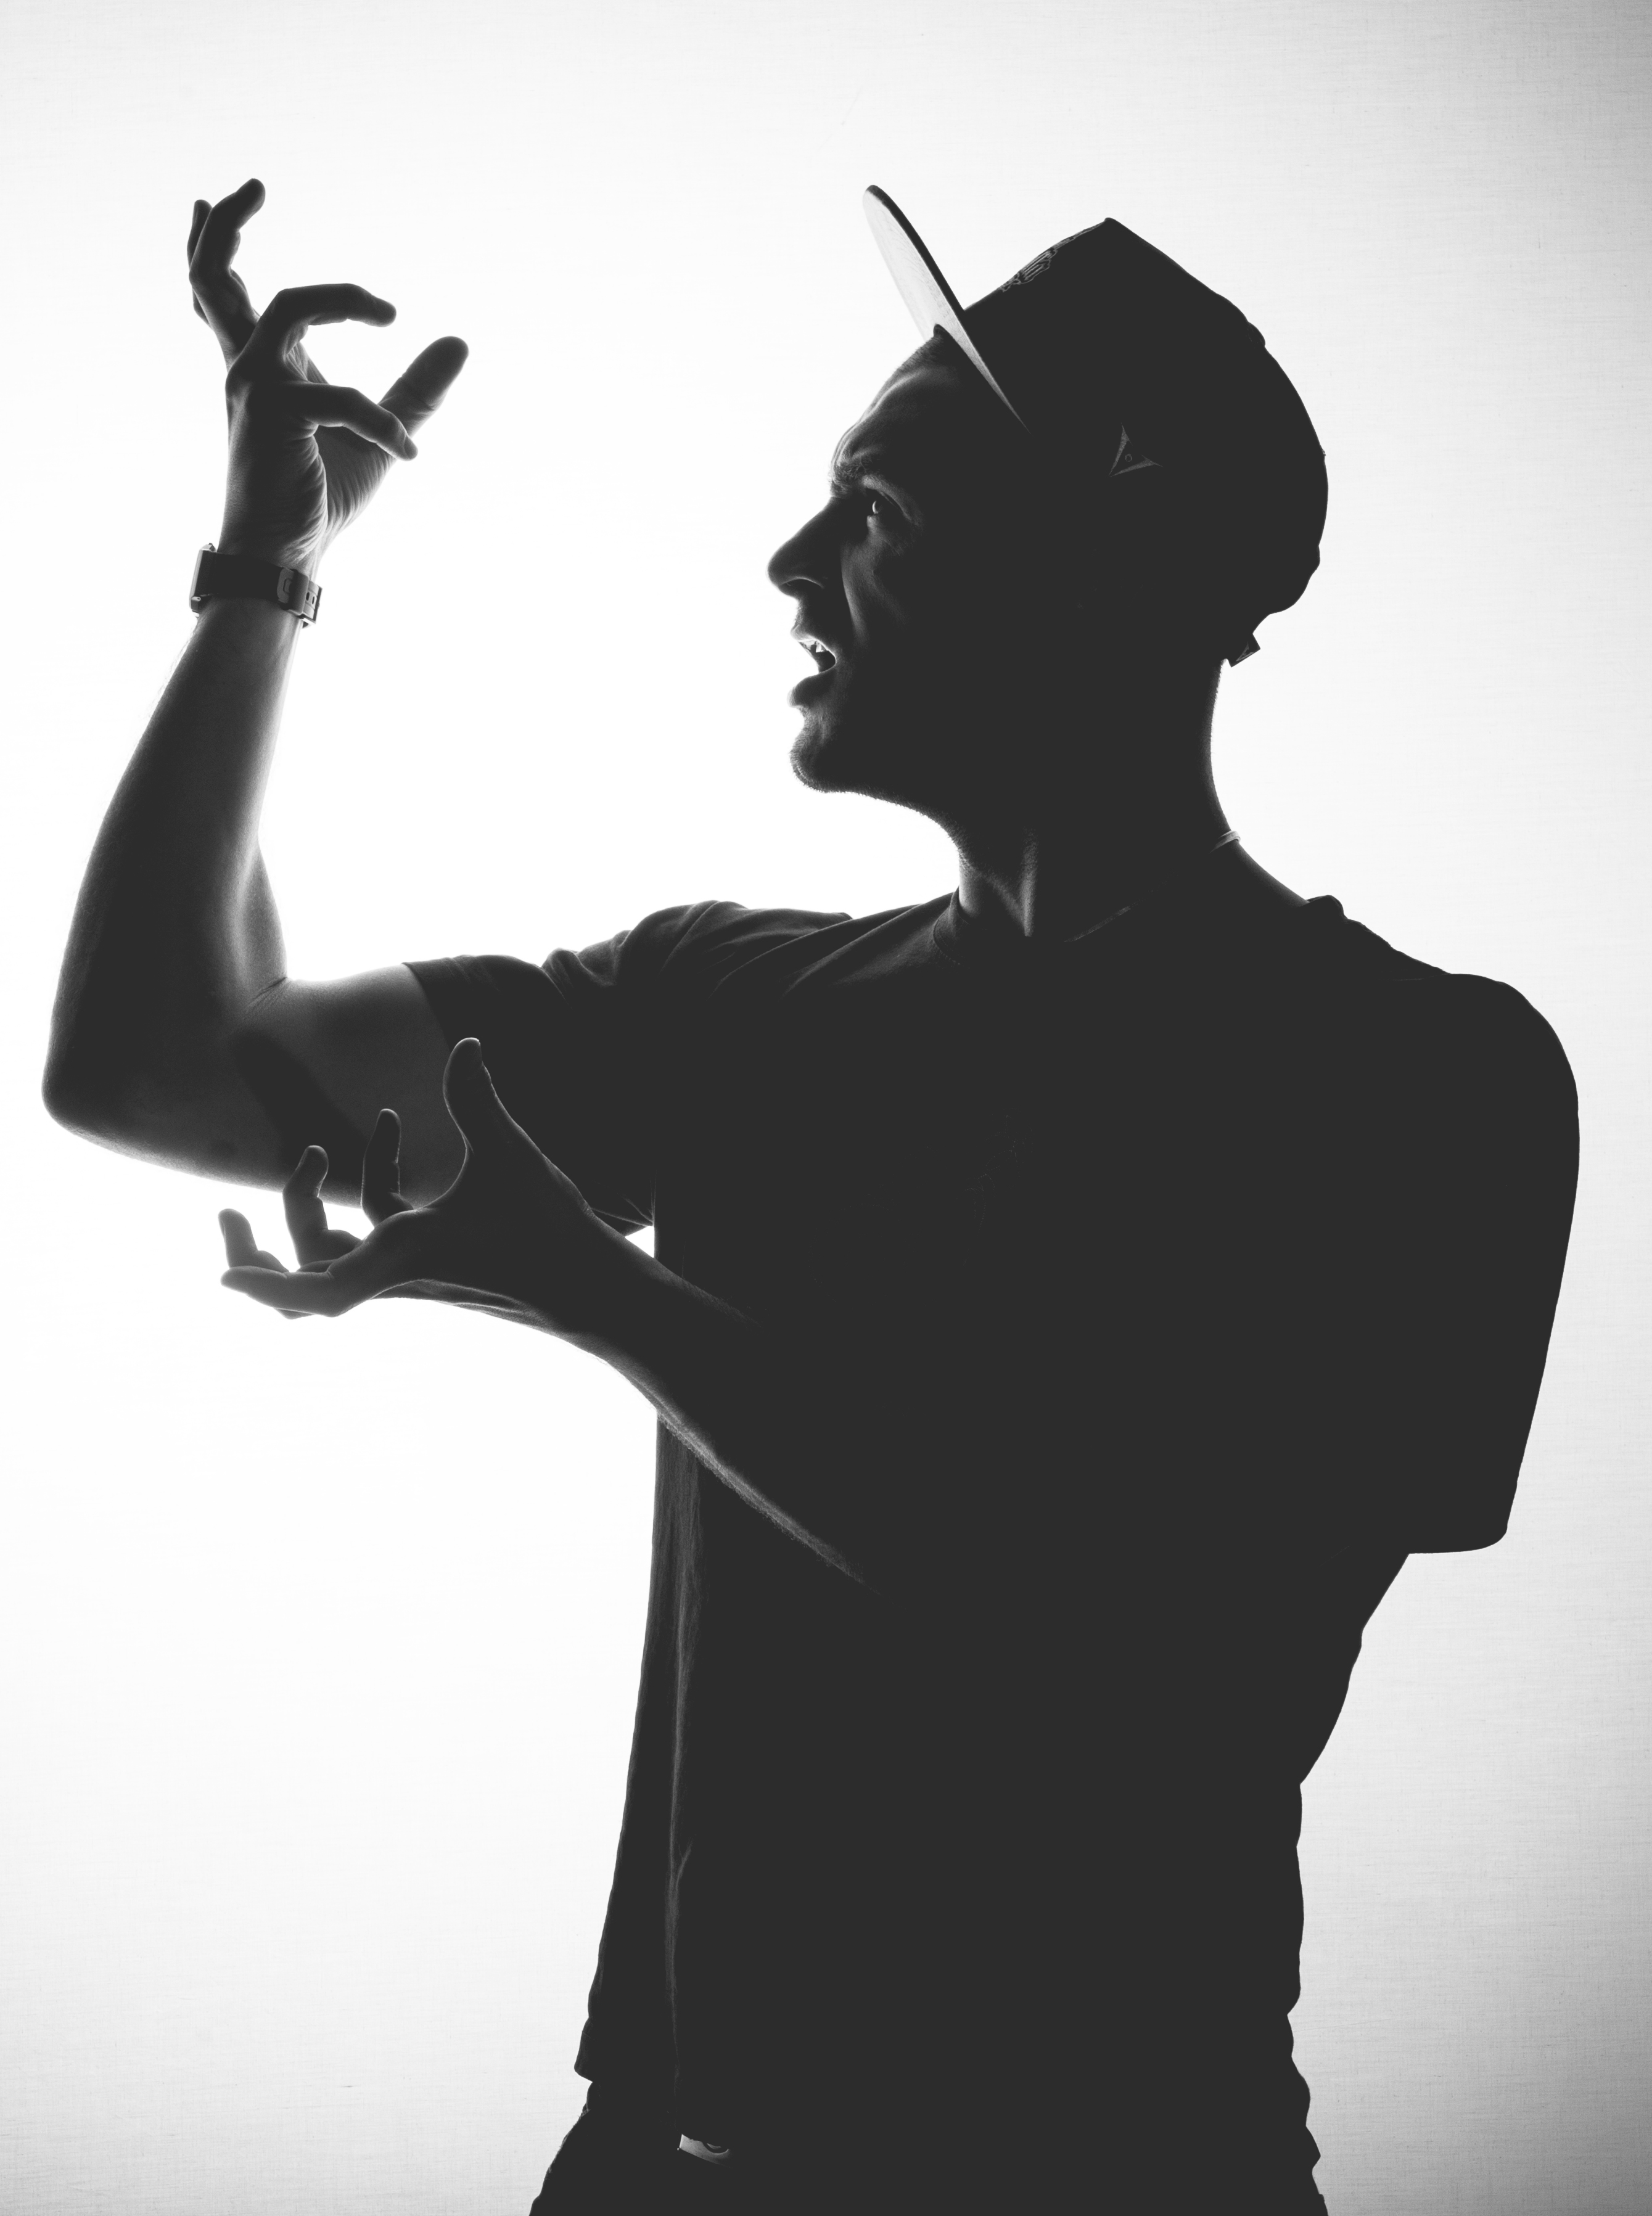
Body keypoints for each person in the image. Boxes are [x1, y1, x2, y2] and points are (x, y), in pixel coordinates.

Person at [44, 178, 1578, 2214]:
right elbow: (155, 1054)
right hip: (658, 2166)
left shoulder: (1428, 1079)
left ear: (1100, 550)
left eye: (878, 506)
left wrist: (599, 1293)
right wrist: (268, 573)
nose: (788, 562)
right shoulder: (721, 1003)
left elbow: (1161, 1661)